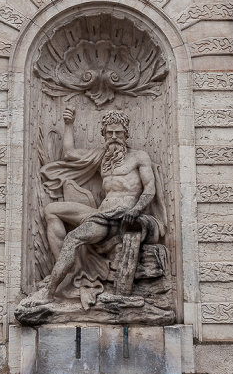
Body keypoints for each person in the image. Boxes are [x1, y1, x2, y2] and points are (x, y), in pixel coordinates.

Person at [39, 107, 160, 300]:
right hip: (100, 214)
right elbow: (69, 153)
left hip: (118, 219)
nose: (114, 136)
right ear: (103, 134)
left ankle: (50, 292)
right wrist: (68, 125)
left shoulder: (139, 157)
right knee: (51, 210)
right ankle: (66, 269)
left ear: (126, 134)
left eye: (118, 132)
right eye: (109, 132)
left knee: (73, 238)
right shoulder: (102, 157)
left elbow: (150, 189)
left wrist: (136, 210)